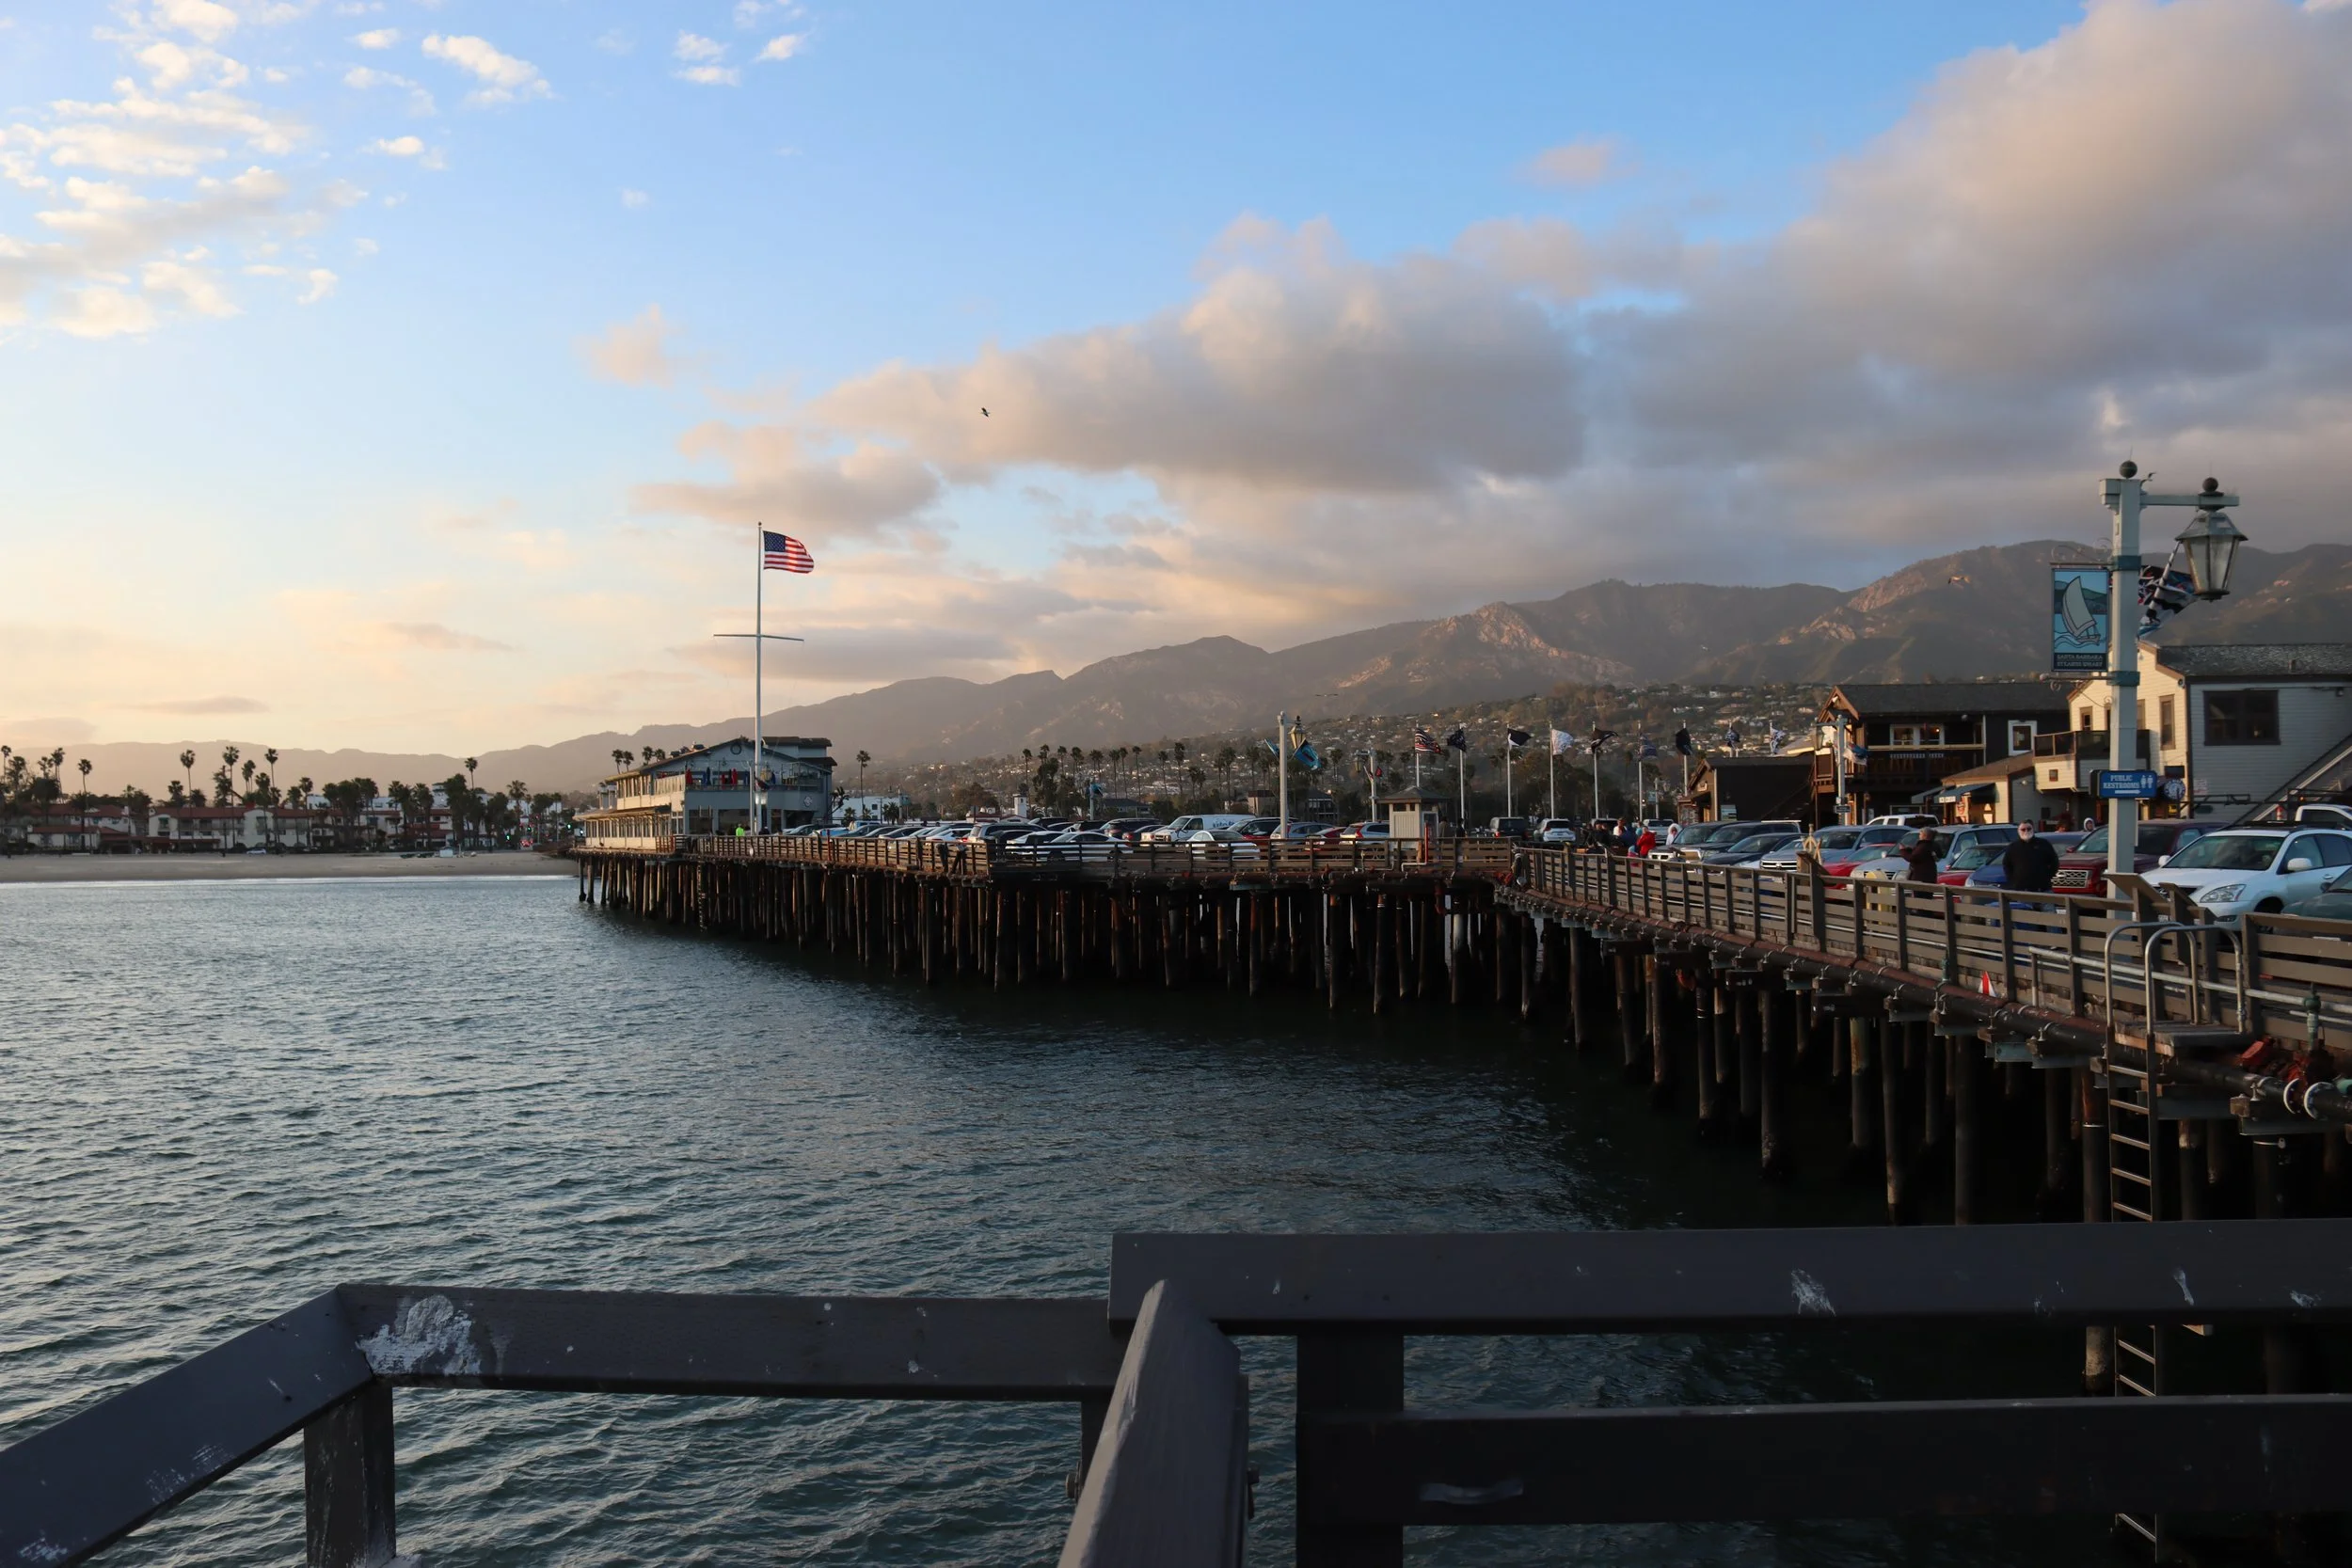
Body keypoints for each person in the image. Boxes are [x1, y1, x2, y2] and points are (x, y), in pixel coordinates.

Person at [2002, 821, 2059, 894]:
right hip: (2021, 890)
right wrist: (2013, 881)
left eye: (2029, 829)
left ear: (2033, 829)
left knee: (2047, 904)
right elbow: (2006, 865)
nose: (2026, 831)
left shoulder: (2044, 844)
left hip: (2043, 888)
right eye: (2023, 829)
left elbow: (2054, 862)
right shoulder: (2013, 847)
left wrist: (2048, 877)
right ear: (2018, 831)